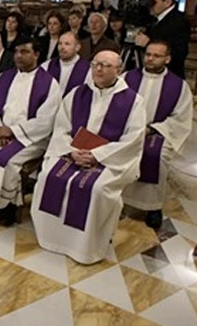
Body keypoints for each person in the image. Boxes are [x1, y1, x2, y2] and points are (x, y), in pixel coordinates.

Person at [31, 50, 146, 264]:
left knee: (97, 188)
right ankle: (52, 238)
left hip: (109, 161)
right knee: (48, 176)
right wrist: (71, 151)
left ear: (118, 70)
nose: (99, 69)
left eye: (105, 65)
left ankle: (86, 247)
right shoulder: (76, 94)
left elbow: (133, 140)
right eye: (95, 64)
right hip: (73, 152)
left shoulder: (134, 102)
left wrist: (97, 155)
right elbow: (61, 128)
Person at [0, 37, 61, 225]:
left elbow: (46, 121)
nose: (19, 56)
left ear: (37, 55)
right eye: (16, 52)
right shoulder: (4, 77)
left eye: (25, 52)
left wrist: (12, 131)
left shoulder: (49, 84)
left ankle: (7, 207)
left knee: (6, 161)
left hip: (30, 138)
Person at [122, 40, 193, 229]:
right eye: (148, 54)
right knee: (119, 152)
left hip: (158, 132)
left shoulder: (179, 86)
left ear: (167, 59)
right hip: (128, 130)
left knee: (157, 156)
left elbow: (180, 119)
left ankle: (153, 207)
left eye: (157, 56)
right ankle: (118, 199)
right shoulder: (128, 78)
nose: (150, 59)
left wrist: (152, 129)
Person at [135, 0, 191, 79]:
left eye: (153, 2)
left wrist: (148, 44)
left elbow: (179, 54)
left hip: (169, 75)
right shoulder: (154, 18)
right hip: (151, 72)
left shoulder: (179, 21)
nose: (150, 6)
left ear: (167, 2)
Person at [41, 32, 90, 96]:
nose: (62, 47)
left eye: (67, 44)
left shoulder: (88, 70)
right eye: (60, 44)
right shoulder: (46, 66)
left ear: (77, 47)